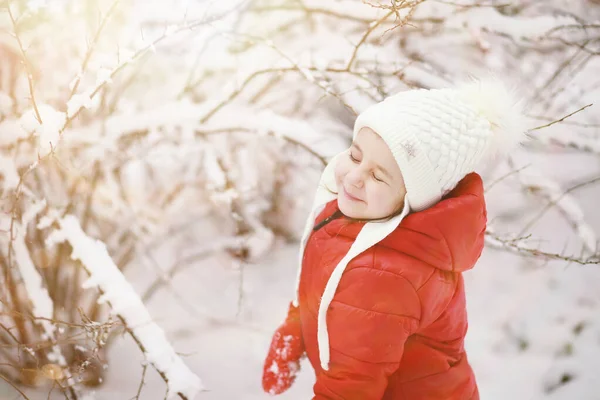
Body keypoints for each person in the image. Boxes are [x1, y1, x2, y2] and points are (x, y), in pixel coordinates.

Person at [261, 77, 527, 399]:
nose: (354, 177)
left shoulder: (383, 277)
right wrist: (295, 325)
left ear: (411, 199)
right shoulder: (355, 217)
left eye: (377, 175)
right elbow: (325, 286)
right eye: (356, 157)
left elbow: (350, 390)